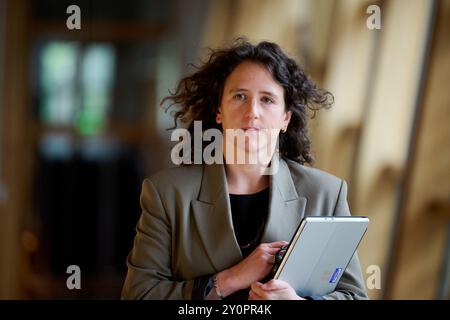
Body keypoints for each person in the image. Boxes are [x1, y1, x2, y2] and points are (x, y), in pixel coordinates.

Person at [121, 39, 368, 300]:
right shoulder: (167, 193)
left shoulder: (326, 193)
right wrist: (229, 279)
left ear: (286, 117)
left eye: (267, 99)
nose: (252, 112)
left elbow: (354, 296)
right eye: (240, 96)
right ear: (219, 110)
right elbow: (138, 295)